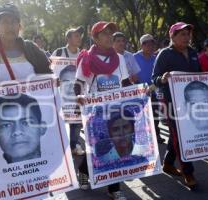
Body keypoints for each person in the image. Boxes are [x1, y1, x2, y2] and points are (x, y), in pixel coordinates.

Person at [74, 21, 130, 200]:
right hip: (95, 112)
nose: (109, 37)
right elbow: (79, 84)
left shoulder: (119, 58)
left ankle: (114, 188)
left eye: (110, 34)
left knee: (115, 147)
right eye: (104, 34)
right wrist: (78, 98)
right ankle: (83, 170)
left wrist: (138, 94)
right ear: (95, 38)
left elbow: (125, 83)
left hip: (116, 111)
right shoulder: (86, 59)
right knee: (97, 148)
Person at [152, 22, 202, 188]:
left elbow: (199, 76)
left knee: (177, 134)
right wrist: (163, 79)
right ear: (172, 36)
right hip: (171, 102)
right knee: (180, 135)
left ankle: (167, 163)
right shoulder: (165, 54)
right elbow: (155, 78)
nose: (186, 37)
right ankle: (188, 172)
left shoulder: (194, 52)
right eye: (182, 34)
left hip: (191, 102)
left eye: (188, 34)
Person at [51, 26, 85, 156]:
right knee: (59, 123)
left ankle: (73, 146)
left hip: (78, 94)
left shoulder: (82, 54)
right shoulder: (59, 53)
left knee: (76, 122)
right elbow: (49, 71)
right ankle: (60, 147)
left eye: (80, 36)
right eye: (76, 35)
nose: (79, 38)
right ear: (68, 38)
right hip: (61, 95)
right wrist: (55, 80)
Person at [0, 93, 47, 164]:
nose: (17, 131)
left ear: (42, 128)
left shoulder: (60, 167)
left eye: (26, 123)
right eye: (6, 125)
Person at [134, 34, 165, 144]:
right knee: (140, 116)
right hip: (139, 92)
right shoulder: (134, 57)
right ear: (142, 45)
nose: (151, 47)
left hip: (154, 91)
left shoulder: (156, 58)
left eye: (153, 44)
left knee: (155, 115)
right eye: (148, 44)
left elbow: (159, 74)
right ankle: (142, 137)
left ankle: (156, 135)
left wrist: (153, 86)